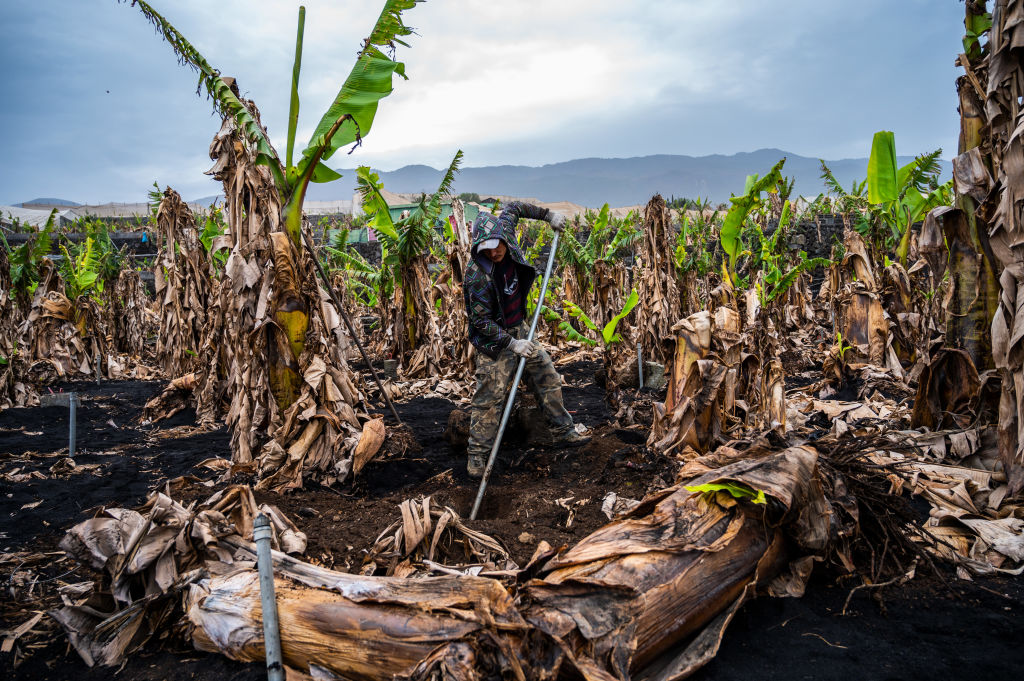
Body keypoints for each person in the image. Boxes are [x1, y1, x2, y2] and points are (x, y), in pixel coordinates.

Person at [462, 202, 590, 477]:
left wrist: (547, 216)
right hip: (495, 342)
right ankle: (477, 459)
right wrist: (511, 344)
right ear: (478, 248)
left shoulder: (505, 227)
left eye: (498, 246)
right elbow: (479, 321)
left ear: (504, 238)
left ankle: (563, 431)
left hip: (519, 329)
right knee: (489, 398)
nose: (494, 252)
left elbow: (513, 208)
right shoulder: (477, 275)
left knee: (547, 375)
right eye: (487, 249)